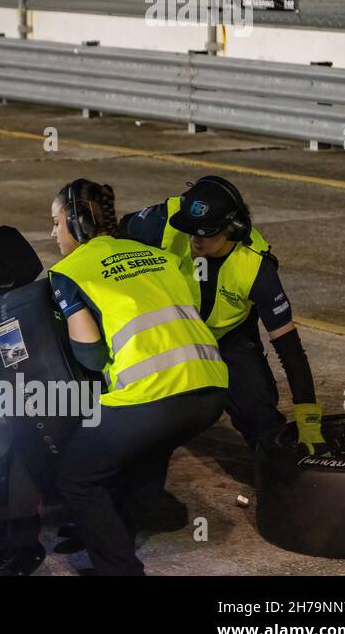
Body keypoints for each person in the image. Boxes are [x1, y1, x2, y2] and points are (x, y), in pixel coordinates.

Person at [48, 179, 229, 575]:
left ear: (77, 224)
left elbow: (92, 356)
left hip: (155, 395)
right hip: (211, 389)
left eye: (57, 222)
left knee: (78, 478)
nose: (52, 233)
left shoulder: (69, 272)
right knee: (145, 450)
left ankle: (119, 569)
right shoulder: (154, 254)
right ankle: (120, 523)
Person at [120, 176, 324, 453]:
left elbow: (289, 347)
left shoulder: (255, 267)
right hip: (172, 329)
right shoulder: (161, 221)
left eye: (205, 234)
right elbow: (109, 241)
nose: (194, 241)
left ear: (233, 229)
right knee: (142, 411)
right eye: (190, 231)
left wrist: (308, 415)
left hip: (228, 334)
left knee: (259, 415)